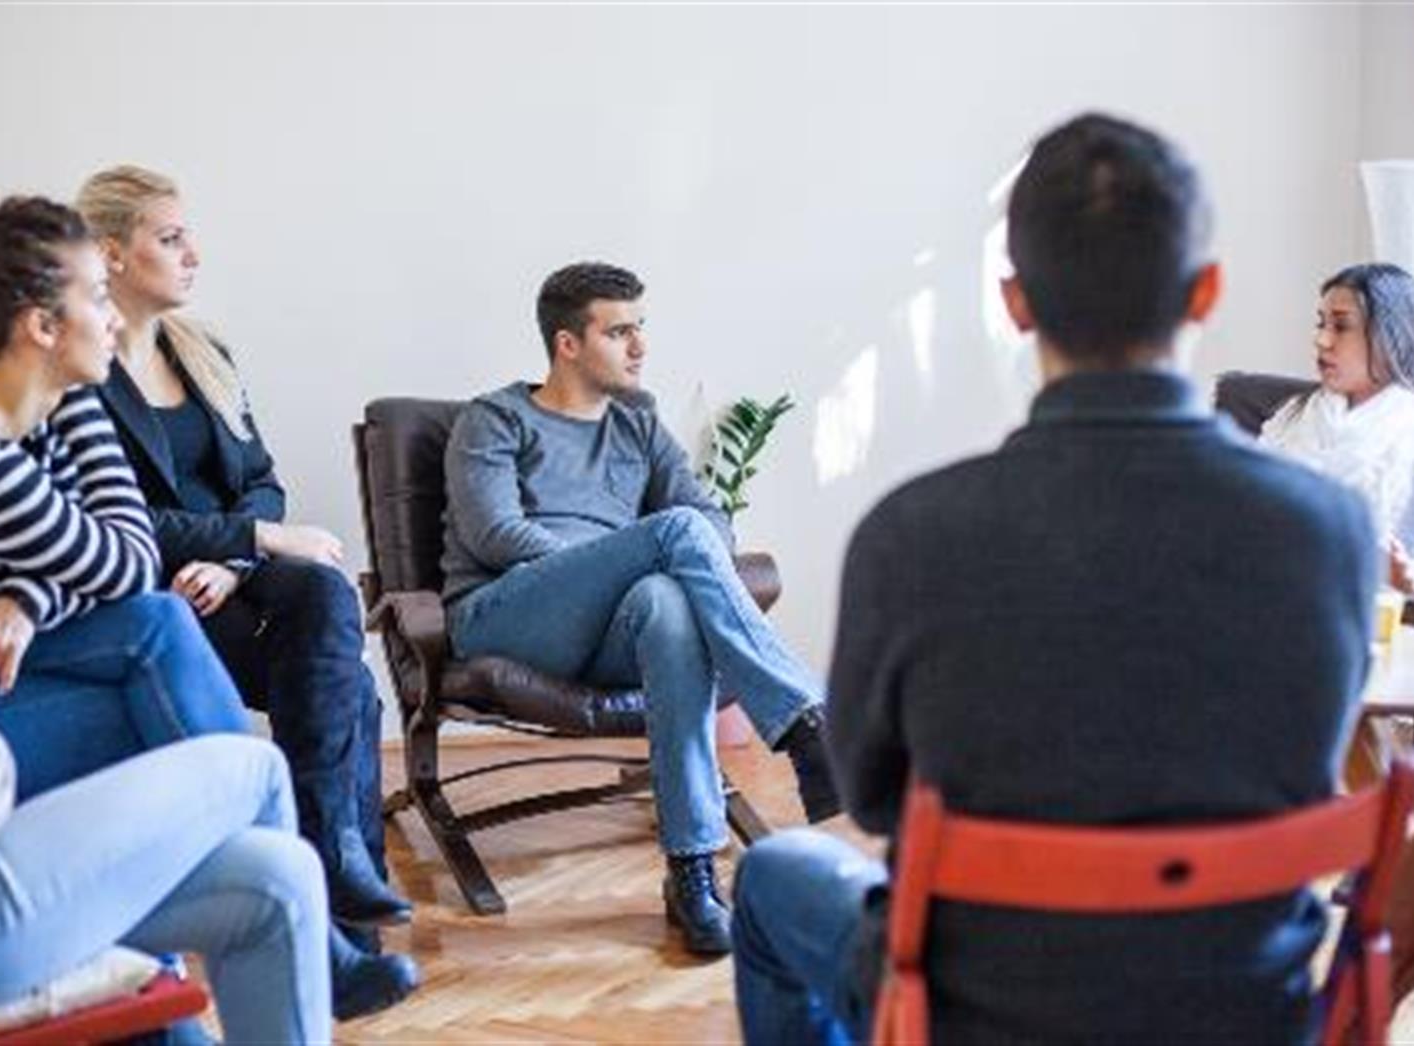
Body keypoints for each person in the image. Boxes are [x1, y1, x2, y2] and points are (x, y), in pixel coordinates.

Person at [730, 113, 1378, 1044]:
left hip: (975, 1010)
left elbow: (871, 800)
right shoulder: (1332, 533)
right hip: (1239, 1013)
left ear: (1015, 301)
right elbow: (1311, 765)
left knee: (773, 876)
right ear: (1207, 290)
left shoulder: (909, 536)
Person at [0, 197, 411, 1042]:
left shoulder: (53, 391)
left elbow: (120, 537)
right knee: (222, 740)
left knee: (174, 649)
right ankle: (322, 923)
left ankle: (309, 924)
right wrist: (41, 589)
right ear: (41, 325)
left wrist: (27, 596)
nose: (112, 319)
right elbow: (117, 559)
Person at [441, 261, 840, 957]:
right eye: (619, 331)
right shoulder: (496, 418)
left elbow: (710, 515)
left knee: (665, 604)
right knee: (671, 538)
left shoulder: (637, 421)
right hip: (507, 617)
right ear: (568, 344)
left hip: (610, 622)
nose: (640, 347)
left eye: (640, 329)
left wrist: (635, 562)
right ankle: (808, 728)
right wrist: (608, 558)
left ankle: (690, 873)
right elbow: (493, 533)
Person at [76, 165, 410, 930]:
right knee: (352, 690)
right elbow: (109, 520)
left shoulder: (206, 352)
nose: (193, 252)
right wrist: (250, 538)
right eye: (170, 237)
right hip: (150, 600)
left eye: (188, 234)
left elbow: (261, 481)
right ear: (111, 253)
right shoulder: (76, 370)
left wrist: (234, 560)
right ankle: (343, 904)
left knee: (324, 589)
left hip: (232, 582)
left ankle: (328, 877)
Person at [1259, 263, 1414, 590]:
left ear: (1391, 336)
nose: (1322, 340)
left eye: (1341, 326)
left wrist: (1408, 582)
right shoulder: (1291, 418)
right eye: (1321, 324)